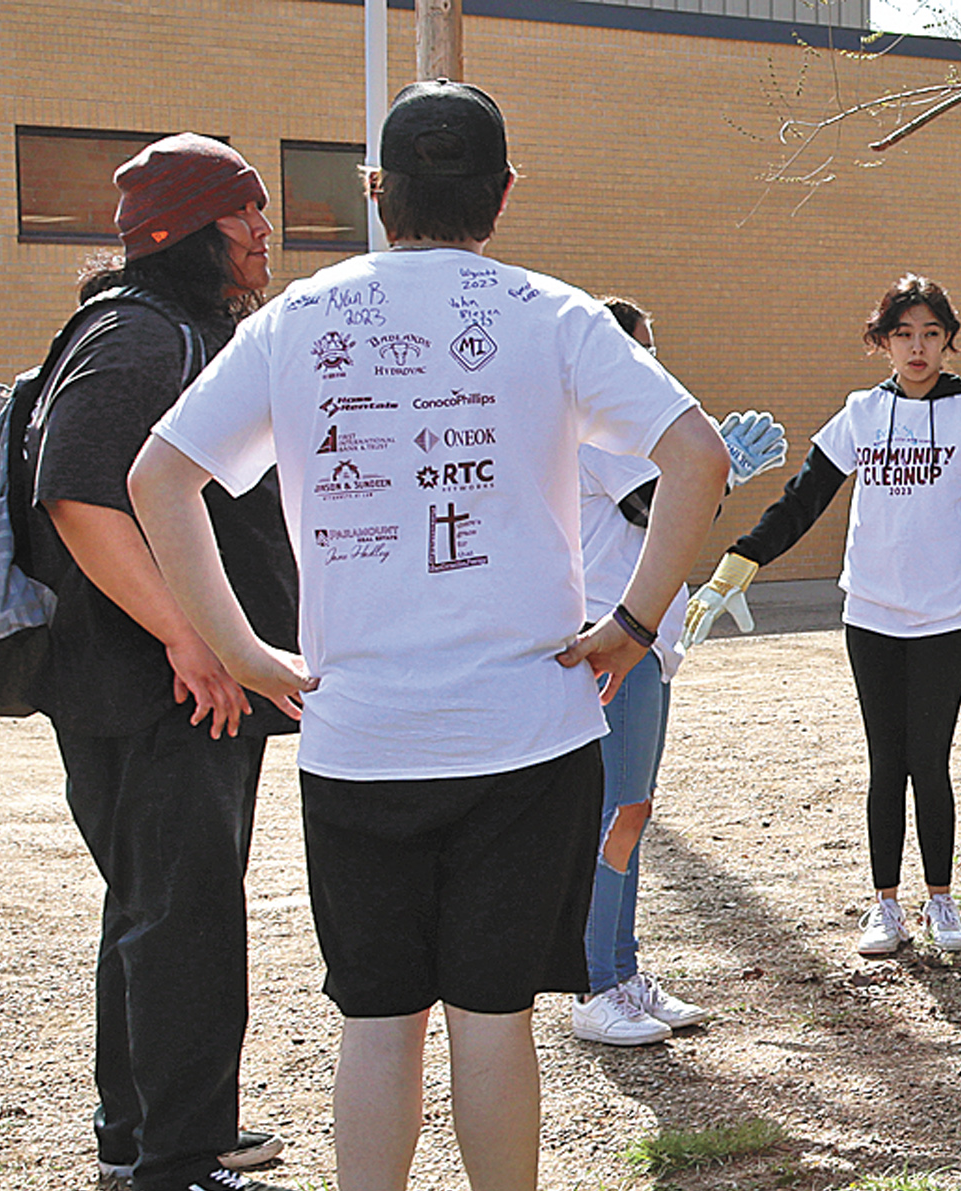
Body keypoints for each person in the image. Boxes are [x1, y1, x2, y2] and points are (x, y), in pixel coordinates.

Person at [127, 82, 729, 1189]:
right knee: (494, 1019)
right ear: (502, 193)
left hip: (359, 737)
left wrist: (240, 651)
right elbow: (698, 453)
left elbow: (158, 475)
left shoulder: (297, 320)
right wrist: (634, 624)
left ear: (377, 190)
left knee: (378, 1020)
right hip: (529, 734)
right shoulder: (554, 315)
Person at [22, 133, 296, 1191]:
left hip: (162, 687)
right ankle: (181, 1159)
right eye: (248, 215)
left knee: (154, 908)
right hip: (163, 690)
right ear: (192, 229)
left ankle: (139, 1132)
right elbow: (80, 492)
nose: (265, 235)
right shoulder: (140, 337)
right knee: (184, 918)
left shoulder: (163, 330)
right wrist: (193, 638)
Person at [681, 274, 961, 959]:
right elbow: (803, 499)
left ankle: (942, 901)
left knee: (931, 758)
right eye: (902, 334)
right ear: (882, 342)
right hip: (870, 613)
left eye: (930, 334)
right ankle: (886, 904)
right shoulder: (862, 412)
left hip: (948, 618)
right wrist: (740, 561)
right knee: (885, 761)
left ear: (949, 341)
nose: (917, 348)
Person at [571, 296, 786, 1045]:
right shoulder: (597, 425)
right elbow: (650, 504)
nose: (654, 369)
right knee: (614, 811)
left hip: (648, 641)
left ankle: (623, 970)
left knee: (634, 809)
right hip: (611, 639)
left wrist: (713, 471)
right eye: (642, 354)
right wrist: (719, 473)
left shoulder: (631, 432)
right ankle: (594, 982)